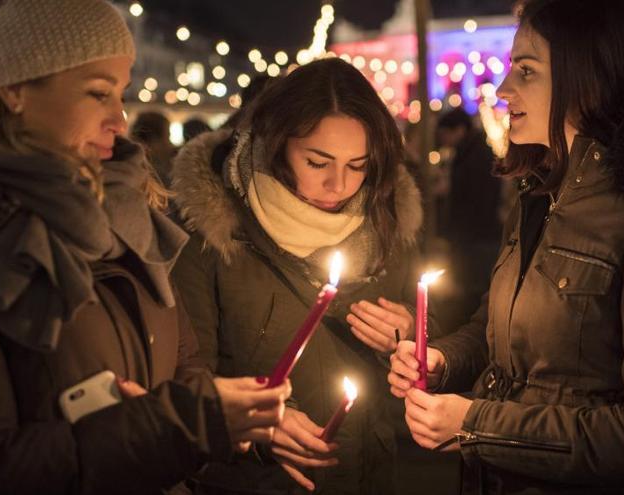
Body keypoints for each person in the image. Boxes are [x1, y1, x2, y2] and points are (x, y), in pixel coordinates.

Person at [386, 0, 624, 493]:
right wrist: (442, 360)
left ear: (587, 78)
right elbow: (496, 335)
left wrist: (477, 424)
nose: (503, 90)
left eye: (525, 71)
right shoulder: (540, 194)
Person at [0, 1, 289, 493]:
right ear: (15, 90)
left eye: (120, 92)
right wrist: (174, 427)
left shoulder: (132, 217)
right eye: (97, 93)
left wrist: (220, 417)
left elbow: (183, 365)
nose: (120, 120)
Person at [171, 57, 432, 494]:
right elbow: (183, 372)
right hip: (253, 480)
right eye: (317, 162)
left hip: (369, 471)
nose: (340, 185)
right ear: (275, 144)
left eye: (358, 164)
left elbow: (428, 324)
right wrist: (255, 425)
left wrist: (410, 332)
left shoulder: (387, 219)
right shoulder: (212, 232)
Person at [435, 108, 503, 329]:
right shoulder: (471, 152)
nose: (442, 139)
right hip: (475, 234)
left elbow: (475, 199)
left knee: (474, 289)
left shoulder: (475, 156)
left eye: (445, 133)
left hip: (477, 235)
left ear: (459, 130)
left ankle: (471, 334)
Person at [130, 110, 176, 185]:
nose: (169, 145)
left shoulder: (125, 169)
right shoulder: (159, 180)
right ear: (153, 140)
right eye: (168, 137)